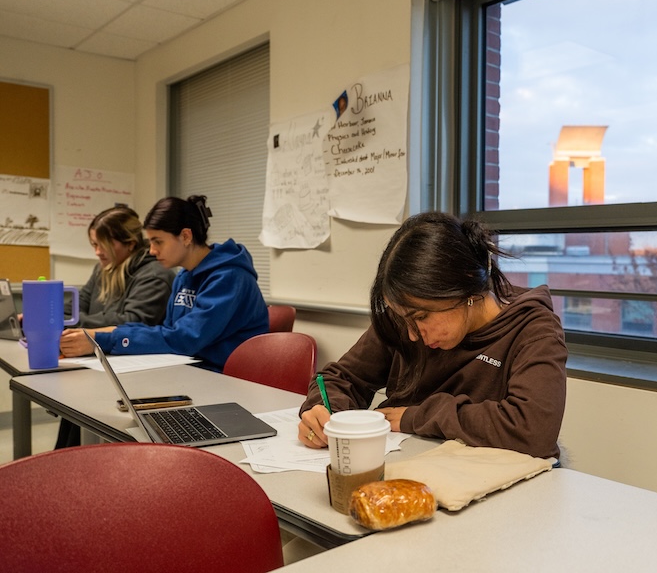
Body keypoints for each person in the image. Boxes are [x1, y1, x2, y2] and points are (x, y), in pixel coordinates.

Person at [298, 211, 568, 460]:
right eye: (404, 319)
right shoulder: (406, 317)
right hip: (401, 463)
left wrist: (416, 417)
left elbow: (533, 430)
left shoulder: (533, 330)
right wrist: (323, 412)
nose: (411, 335)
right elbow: (341, 377)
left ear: (465, 288)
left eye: (421, 317)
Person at [60, 195, 268, 372]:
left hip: (226, 377)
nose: (152, 250)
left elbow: (184, 339)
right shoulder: (184, 275)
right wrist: (108, 332)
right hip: (190, 370)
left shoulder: (230, 277)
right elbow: (168, 330)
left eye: (158, 241)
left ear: (185, 236)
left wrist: (105, 339)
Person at [55, 205, 175, 447]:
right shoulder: (102, 269)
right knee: (72, 409)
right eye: (94, 245)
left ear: (129, 243)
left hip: (135, 374)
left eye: (103, 245)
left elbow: (131, 321)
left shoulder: (155, 274)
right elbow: (73, 310)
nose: (97, 252)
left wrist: (81, 323)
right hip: (98, 364)